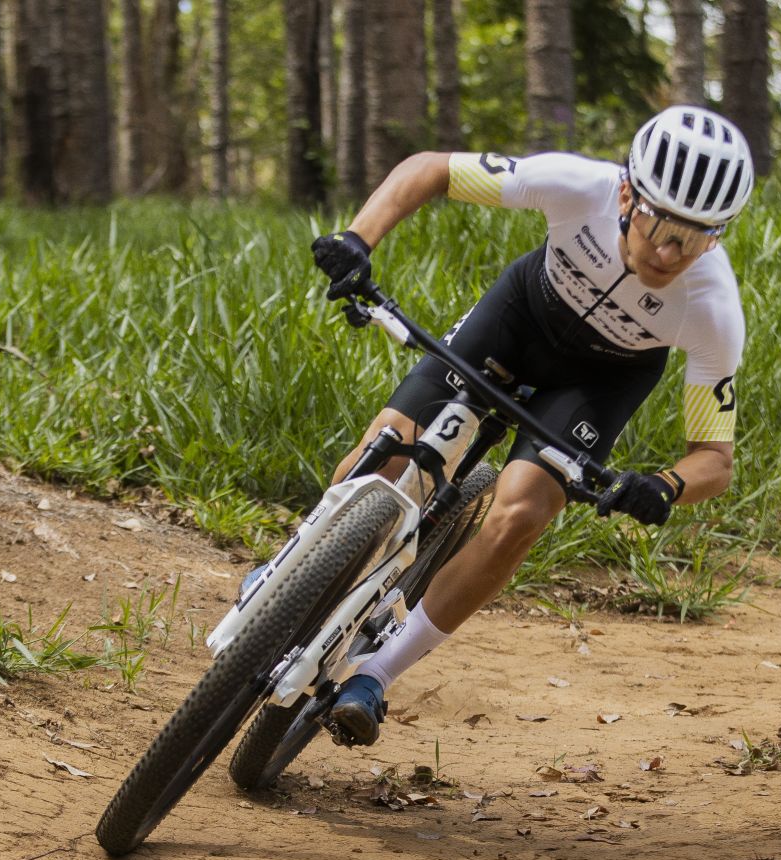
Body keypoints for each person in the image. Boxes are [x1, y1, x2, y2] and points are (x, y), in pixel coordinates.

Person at [309, 106, 756, 746]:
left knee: (522, 511)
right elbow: (430, 169)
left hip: (599, 382)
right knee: (390, 450)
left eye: (693, 238)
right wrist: (358, 239)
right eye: (660, 225)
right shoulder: (576, 186)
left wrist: (662, 485)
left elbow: (715, 458)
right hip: (519, 319)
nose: (668, 252)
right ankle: (298, 573)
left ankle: (375, 675)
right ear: (627, 195)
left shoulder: (713, 308)